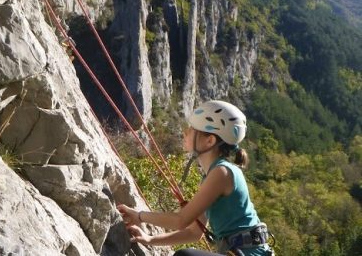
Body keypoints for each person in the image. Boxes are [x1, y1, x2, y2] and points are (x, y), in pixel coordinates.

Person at [117, 100, 274, 256]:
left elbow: (180, 220)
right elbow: (194, 232)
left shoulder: (222, 173)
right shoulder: (213, 175)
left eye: (192, 130)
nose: (185, 132)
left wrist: (139, 216)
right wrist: (150, 239)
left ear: (210, 140)